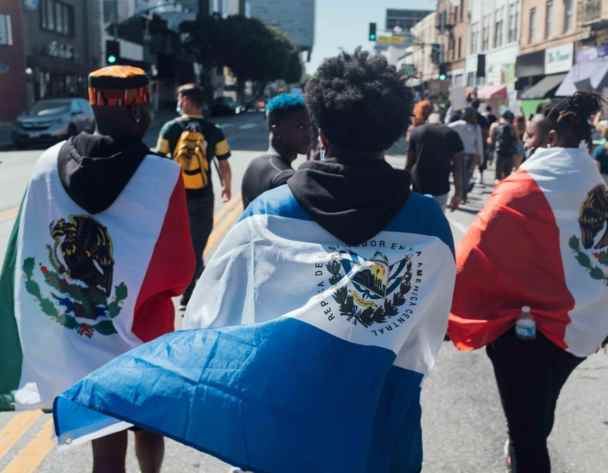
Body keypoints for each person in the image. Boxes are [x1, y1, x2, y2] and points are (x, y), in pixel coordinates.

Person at [53, 49, 457, 473]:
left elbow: (213, 322)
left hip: (277, 431)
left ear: (320, 129)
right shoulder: (428, 223)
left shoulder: (269, 213)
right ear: (394, 130)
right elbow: (431, 328)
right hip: (381, 434)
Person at [0, 66, 194, 473]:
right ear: (141, 112)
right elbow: (179, 270)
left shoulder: (47, 164)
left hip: (76, 340)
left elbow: (26, 252)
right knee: (148, 424)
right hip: (142, 334)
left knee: (104, 449)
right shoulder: (162, 175)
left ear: (93, 105)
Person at [449, 92, 608, 473]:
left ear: (550, 140)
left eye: (530, 139)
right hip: (582, 326)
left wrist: (447, 309)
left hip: (527, 334)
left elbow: (474, 252)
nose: (525, 145)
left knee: (528, 435)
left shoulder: (523, 187)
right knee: (536, 420)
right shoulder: (591, 178)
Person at [156, 83, 233, 308]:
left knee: (179, 244)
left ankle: (182, 286)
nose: (179, 103)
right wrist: (226, 187)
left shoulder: (170, 128)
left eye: (181, 99)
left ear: (188, 101)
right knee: (197, 245)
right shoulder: (213, 129)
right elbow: (224, 163)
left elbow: (158, 161)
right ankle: (190, 291)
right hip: (203, 196)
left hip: (176, 196)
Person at [241, 93, 311, 208]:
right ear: (276, 129)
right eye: (300, 127)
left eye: (309, 126)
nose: (309, 134)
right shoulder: (284, 178)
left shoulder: (255, 164)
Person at [406, 102, 465, 211]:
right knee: (435, 223)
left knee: (417, 221)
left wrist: (403, 188)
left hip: (418, 187)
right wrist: (458, 194)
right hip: (440, 188)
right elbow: (458, 168)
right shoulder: (452, 134)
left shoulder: (416, 132)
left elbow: (409, 164)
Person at [448, 107, 484, 201]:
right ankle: (464, 193)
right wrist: (481, 157)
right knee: (468, 175)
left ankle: (461, 193)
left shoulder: (456, 125)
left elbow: (446, 127)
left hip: (459, 153)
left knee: (459, 174)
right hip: (472, 155)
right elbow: (479, 143)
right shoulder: (476, 127)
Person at [493, 110, 517, 181]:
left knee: (498, 176)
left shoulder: (497, 125)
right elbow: (516, 139)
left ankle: (497, 190)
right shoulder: (512, 127)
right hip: (509, 153)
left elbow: (493, 138)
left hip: (499, 152)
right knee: (507, 176)